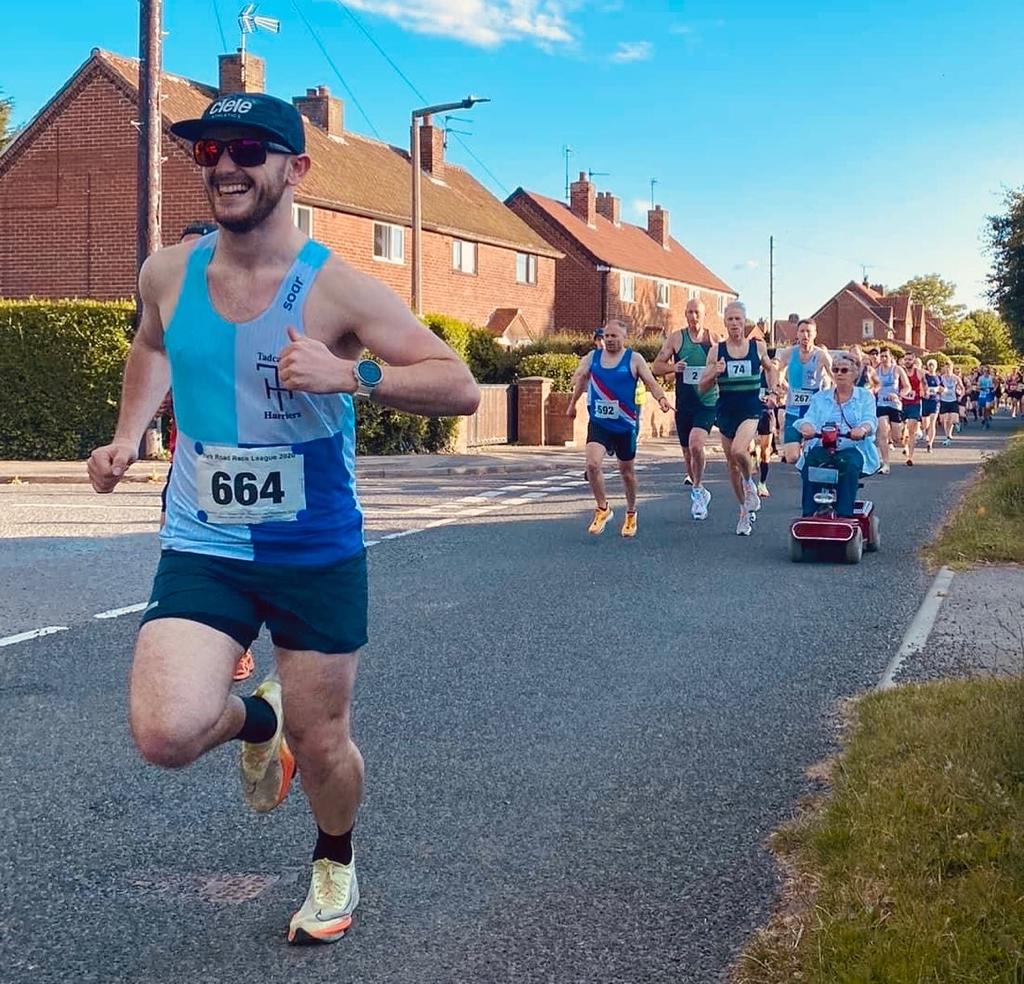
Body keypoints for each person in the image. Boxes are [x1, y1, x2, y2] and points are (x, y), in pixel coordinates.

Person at [87, 92, 480, 945]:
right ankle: (258, 722)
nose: (225, 165)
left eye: (247, 150)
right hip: (204, 539)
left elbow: (458, 384)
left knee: (324, 738)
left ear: (295, 168)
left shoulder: (337, 289)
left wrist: (355, 377)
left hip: (313, 549)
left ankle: (335, 857)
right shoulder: (167, 273)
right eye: (209, 151)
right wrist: (127, 435)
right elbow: (152, 344)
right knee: (165, 733)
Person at [567, 319, 672, 537]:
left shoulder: (634, 359)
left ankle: (631, 512)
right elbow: (581, 376)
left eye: (614, 336)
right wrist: (572, 403)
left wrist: (661, 398)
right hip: (599, 423)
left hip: (625, 425)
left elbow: (651, 382)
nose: (610, 340)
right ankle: (602, 509)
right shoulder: (593, 357)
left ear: (625, 337)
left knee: (627, 473)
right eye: (606, 336)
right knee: (592, 464)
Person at [699, 301, 776, 536]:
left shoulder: (757, 347)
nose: (734, 323)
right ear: (725, 323)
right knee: (731, 465)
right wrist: (715, 372)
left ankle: (750, 482)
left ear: (745, 322)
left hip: (750, 408)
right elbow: (702, 387)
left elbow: (770, 368)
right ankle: (743, 511)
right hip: (726, 410)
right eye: (730, 319)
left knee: (738, 450)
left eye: (738, 319)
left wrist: (773, 392)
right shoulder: (716, 351)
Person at [651, 298, 717, 519]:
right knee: (688, 454)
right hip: (684, 404)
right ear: (685, 314)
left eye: (697, 312)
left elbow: (724, 366)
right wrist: (673, 367)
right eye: (689, 312)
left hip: (707, 402)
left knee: (696, 444)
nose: (693, 316)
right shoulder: (676, 338)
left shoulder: (714, 339)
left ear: (704, 315)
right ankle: (699, 489)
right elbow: (656, 367)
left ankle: (697, 489)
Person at [796, 351, 879, 517]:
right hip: (823, 446)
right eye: (835, 370)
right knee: (810, 463)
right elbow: (809, 418)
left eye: (844, 370)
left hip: (852, 448)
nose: (839, 374)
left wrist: (862, 430)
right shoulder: (820, 397)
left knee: (850, 465)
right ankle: (809, 515)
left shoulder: (865, 396)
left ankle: (844, 515)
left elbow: (870, 420)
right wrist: (806, 427)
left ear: (855, 373)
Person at [776, 319, 833, 464]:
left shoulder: (821, 356)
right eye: (802, 331)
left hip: (813, 412)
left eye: (809, 331)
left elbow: (835, 378)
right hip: (793, 411)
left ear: (815, 334)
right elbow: (779, 371)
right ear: (797, 334)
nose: (805, 335)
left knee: (813, 456)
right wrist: (781, 385)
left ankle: (808, 468)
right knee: (792, 457)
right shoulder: (789, 353)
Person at [873, 348, 912, 474]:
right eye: (882, 356)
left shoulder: (897, 369)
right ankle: (885, 464)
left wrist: (899, 395)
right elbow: (873, 385)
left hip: (895, 405)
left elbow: (907, 387)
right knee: (883, 433)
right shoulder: (876, 371)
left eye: (886, 356)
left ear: (891, 357)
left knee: (896, 438)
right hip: (881, 404)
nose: (884, 359)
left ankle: (905, 439)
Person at [899, 355, 926, 466]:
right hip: (901, 404)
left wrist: (924, 391)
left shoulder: (919, 372)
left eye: (910, 359)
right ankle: (905, 446)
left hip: (915, 404)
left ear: (914, 361)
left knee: (911, 430)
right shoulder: (900, 371)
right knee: (900, 430)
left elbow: (924, 384)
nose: (907, 361)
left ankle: (910, 457)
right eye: (906, 359)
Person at [938, 361, 963, 445]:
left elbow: (962, 388)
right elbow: (937, 387)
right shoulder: (941, 378)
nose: (948, 369)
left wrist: (960, 396)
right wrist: (940, 390)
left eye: (949, 368)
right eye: (946, 368)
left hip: (953, 400)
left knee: (952, 419)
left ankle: (952, 430)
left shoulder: (956, 378)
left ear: (952, 368)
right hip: (944, 400)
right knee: (945, 420)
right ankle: (947, 436)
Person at [920, 358, 942, 453]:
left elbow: (943, 388)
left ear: (936, 367)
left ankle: (930, 444)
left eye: (933, 365)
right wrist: (924, 392)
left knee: (933, 422)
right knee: (925, 423)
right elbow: (920, 387)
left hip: (935, 401)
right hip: (925, 401)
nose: (931, 367)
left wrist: (941, 390)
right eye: (930, 365)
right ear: (928, 367)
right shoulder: (924, 377)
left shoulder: (939, 377)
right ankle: (925, 432)